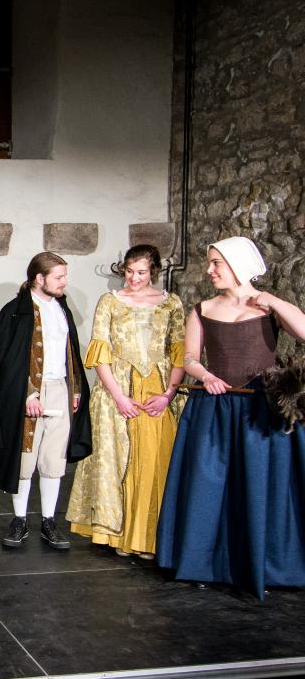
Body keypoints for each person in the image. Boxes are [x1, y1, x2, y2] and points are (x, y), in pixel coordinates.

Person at [156, 236, 305, 598]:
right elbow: (189, 357)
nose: (209, 270)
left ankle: (264, 564)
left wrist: (274, 301)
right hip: (216, 408)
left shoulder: (268, 307)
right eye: (210, 263)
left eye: (216, 263)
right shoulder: (203, 308)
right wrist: (205, 376)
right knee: (210, 485)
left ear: (238, 264)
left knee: (259, 484)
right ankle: (204, 563)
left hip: (260, 410)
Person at [66, 245, 186, 559]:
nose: (134, 278)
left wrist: (168, 395)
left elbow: (179, 353)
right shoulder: (110, 301)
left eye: (141, 272)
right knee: (117, 458)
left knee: (154, 459)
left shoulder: (171, 303)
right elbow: (100, 353)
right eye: (130, 271)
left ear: (153, 271)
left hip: (158, 388)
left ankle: (149, 537)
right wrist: (119, 397)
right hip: (117, 387)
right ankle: (117, 534)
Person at [0, 252, 91, 551]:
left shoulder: (62, 308)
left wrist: (75, 388)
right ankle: (19, 520)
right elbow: (4, 359)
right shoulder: (15, 311)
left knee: (54, 460)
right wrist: (28, 393)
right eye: (59, 277)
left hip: (60, 389)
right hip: (29, 393)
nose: (64, 282)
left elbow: (71, 351)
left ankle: (49, 521)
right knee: (25, 461)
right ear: (39, 278)